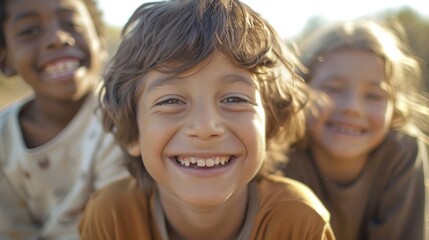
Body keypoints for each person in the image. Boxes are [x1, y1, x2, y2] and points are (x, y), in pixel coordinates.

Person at [78, 0, 336, 239]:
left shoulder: (298, 222)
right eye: (171, 101)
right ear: (133, 131)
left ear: (269, 126)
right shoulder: (112, 216)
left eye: (235, 99)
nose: (205, 128)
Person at [281, 20, 429, 240]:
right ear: (301, 91)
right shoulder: (282, 155)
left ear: (395, 106)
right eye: (333, 89)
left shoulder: (402, 153)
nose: (352, 108)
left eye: (374, 96)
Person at [0, 0, 129, 239]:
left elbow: (114, 222)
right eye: (30, 31)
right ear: (5, 59)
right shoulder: (3, 139)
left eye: (72, 24)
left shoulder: (122, 118)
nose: (58, 38)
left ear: (100, 41)